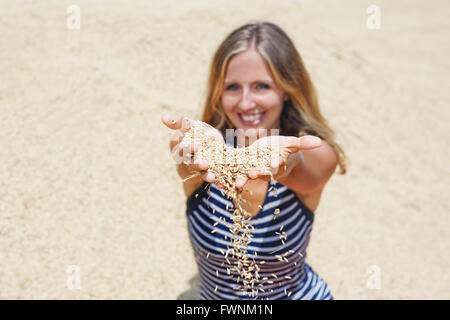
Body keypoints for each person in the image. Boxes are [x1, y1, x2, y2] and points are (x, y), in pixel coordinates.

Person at [161, 22, 347, 300]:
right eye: (233, 87)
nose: (246, 103)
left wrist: (281, 162)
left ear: (287, 88)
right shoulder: (207, 155)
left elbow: (300, 164)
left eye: (262, 86)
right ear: (218, 93)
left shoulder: (310, 150)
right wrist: (185, 145)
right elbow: (183, 154)